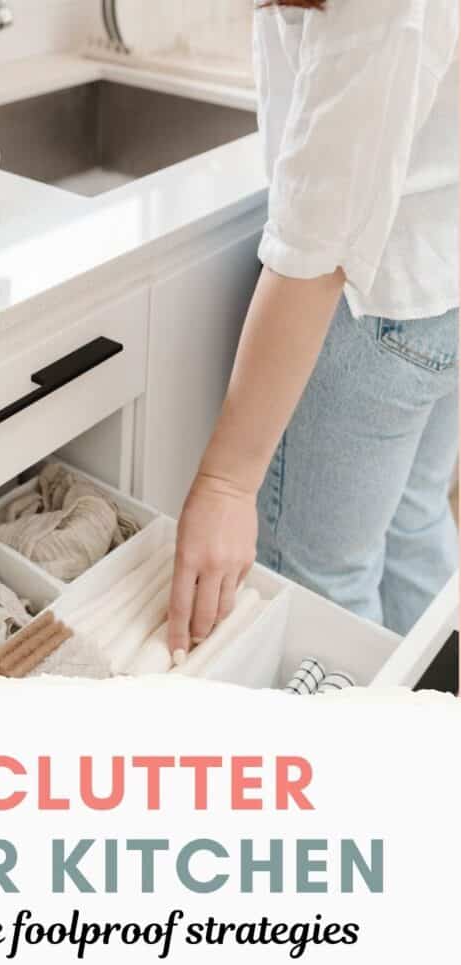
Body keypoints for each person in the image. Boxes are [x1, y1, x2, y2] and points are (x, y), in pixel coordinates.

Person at [168, 0, 459, 664]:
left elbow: (317, 243)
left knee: (322, 585)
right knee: (411, 522)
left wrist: (226, 486)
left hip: (373, 310)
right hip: (440, 283)